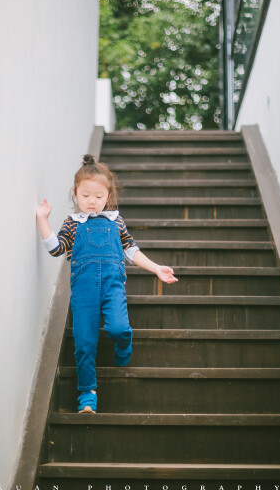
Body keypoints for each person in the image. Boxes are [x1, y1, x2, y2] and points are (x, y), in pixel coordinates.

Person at [36, 154, 178, 414]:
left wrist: (157, 268)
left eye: (99, 196)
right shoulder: (72, 223)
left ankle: (124, 344)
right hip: (83, 291)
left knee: (118, 328)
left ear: (108, 195)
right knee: (84, 342)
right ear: (75, 193)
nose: (92, 202)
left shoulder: (116, 221)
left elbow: (132, 251)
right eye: (86, 195)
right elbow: (56, 249)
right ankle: (87, 394)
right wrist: (43, 219)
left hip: (113, 287)